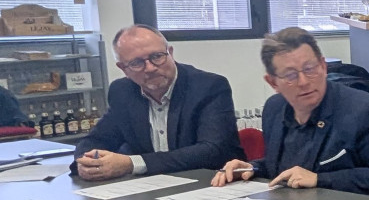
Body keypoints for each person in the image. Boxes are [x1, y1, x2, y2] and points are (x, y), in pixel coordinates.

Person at [212, 27, 369, 198]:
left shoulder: (365, 111)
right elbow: (287, 167)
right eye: (291, 75)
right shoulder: (274, 109)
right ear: (272, 82)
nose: (304, 82)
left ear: (323, 66)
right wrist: (253, 168)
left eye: (310, 69)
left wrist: (320, 179)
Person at [73, 24, 243, 180]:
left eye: (157, 56)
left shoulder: (208, 86)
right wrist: (87, 162)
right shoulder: (122, 92)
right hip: (151, 190)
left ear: (170, 52)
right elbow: (96, 139)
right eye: (137, 63)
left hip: (209, 184)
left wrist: (131, 164)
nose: (151, 68)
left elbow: (212, 151)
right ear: (123, 68)